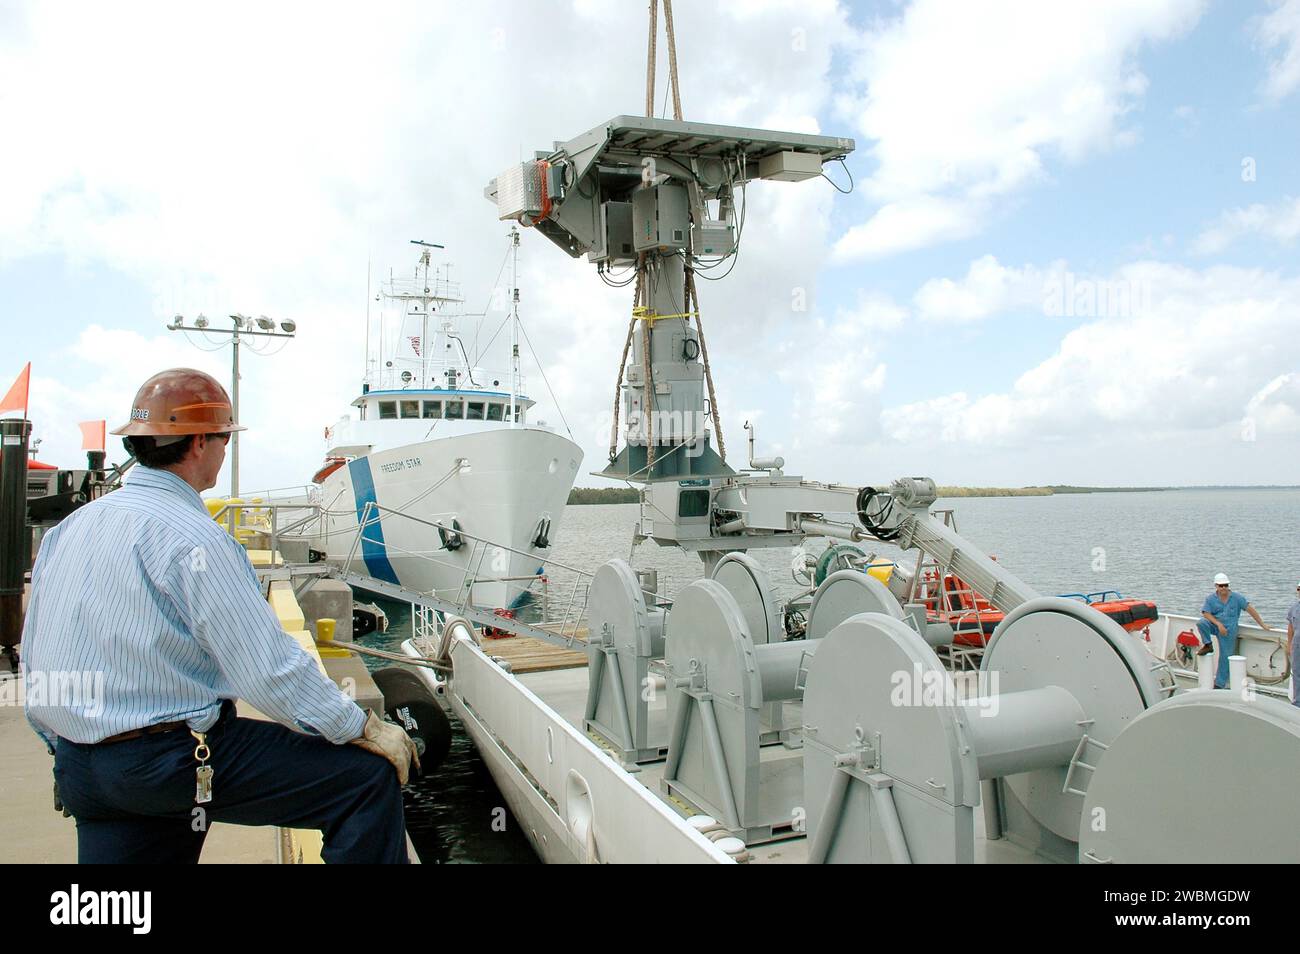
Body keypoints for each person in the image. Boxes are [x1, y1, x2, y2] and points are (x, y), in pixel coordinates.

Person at [22, 368, 419, 863]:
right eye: (223, 440)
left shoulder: (70, 530)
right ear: (197, 444)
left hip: (83, 768)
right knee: (362, 783)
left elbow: (35, 658)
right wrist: (362, 728)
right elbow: (267, 671)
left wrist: (63, 749)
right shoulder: (196, 539)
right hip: (171, 762)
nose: (224, 450)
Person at [1196, 572, 1272, 690]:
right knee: (1201, 623)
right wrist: (1218, 624)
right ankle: (1208, 644)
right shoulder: (1210, 599)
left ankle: (1219, 684)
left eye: (1226, 585)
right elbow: (1206, 613)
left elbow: (1250, 609)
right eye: (1221, 586)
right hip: (1216, 625)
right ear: (1216, 586)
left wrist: (1262, 624)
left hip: (1229, 629)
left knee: (1226, 656)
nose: (1224, 588)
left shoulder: (1237, 598)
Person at [1288, 582, 1300, 707]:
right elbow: (1290, 627)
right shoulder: (1294, 608)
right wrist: (1289, 645)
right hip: (1297, 645)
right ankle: (1297, 702)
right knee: (1296, 672)